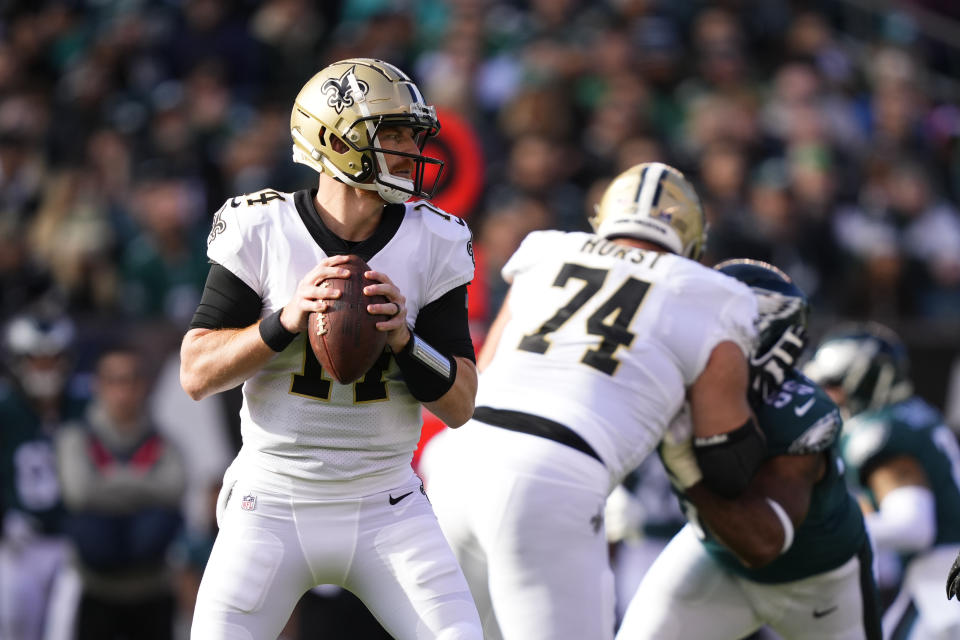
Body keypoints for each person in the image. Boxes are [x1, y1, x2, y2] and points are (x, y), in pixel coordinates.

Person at [178, 58, 483, 640]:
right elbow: (196, 373)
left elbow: (461, 405)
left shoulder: (435, 238)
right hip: (269, 499)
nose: (407, 149)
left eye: (410, 134)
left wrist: (403, 340)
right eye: (389, 133)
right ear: (334, 139)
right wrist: (285, 321)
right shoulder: (262, 227)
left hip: (388, 500)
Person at [419, 161, 763, 640]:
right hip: (556, 471)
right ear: (692, 240)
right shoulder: (714, 295)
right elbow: (726, 459)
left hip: (459, 463)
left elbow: (485, 374)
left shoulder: (548, 250)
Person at [617, 259, 882, 640]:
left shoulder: (800, 411)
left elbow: (763, 542)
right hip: (716, 556)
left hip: (818, 582)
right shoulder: (669, 381)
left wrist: (688, 474)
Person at [805, 323, 960, 639]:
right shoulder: (914, 414)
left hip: (941, 579)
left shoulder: (877, 434)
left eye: (832, 383)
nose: (826, 396)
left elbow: (913, 526)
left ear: (861, 380)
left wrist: (818, 530)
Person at [55, 343, 186, 640]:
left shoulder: (163, 440)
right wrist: (141, 484)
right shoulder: (76, 437)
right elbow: (79, 492)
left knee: (155, 526)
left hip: (152, 590)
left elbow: (174, 489)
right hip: (95, 590)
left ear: (144, 385)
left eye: (131, 380)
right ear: (97, 385)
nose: (123, 391)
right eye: (114, 380)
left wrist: (109, 482)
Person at [0, 311, 87, 640]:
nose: (46, 369)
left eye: (53, 359)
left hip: (71, 542)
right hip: (18, 543)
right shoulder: (7, 411)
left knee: (65, 630)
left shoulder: (83, 405)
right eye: (37, 360)